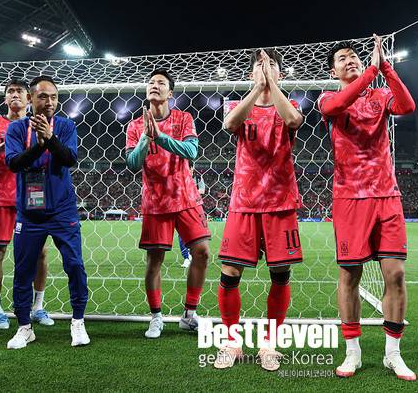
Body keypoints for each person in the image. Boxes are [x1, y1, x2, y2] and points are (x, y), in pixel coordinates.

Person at [318, 36, 416, 380]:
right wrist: (371, 71)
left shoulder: (380, 95)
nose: (351, 60)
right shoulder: (328, 98)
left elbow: (407, 106)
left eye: (354, 56)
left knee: (396, 274)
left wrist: (384, 67)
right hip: (349, 199)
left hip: (387, 196)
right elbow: (336, 106)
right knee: (350, 275)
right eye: (342, 58)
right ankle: (353, 353)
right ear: (333, 71)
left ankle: (393, 354)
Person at [215, 49, 303, 371]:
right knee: (230, 273)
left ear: (280, 73)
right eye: (259, 66)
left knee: (280, 275)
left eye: (271, 66)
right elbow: (229, 124)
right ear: (251, 73)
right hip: (244, 202)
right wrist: (257, 88)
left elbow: (293, 121)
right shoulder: (239, 106)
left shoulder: (288, 105)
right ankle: (232, 342)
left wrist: (271, 86)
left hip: (281, 203)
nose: (265, 70)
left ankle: (269, 344)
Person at [4, 75, 89, 349]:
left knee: (74, 264)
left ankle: (78, 321)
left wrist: (50, 139)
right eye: (42, 96)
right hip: (29, 212)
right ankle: (24, 327)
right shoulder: (16, 129)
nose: (49, 101)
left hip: (63, 210)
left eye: (53, 96)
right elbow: (13, 163)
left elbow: (70, 158)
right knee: (23, 270)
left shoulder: (66, 126)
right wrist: (38, 145)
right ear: (30, 99)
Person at [125, 68, 211, 338]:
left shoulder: (184, 118)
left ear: (170, 93)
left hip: (186, 197)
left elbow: (192, 151)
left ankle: (189, 314)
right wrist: (145, 138)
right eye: (151, 82)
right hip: (156, 202)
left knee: (202, 252)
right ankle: (156, 317)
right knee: (154, 261)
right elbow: (132, 163)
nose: (154, 85)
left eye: (161, 83)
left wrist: (160, 137)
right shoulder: (135, 126)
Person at [0, 78, 53, 330]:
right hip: (1, 196)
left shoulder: (37, 123)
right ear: (5, 98)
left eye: (20, 91)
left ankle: (37, 307)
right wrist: (5, 144)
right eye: (10, 91)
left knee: (40, 252)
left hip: (34, 192)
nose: (15, 94)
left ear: (29, 98)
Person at [180, 162, 206, 269]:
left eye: (188, 168)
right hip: (183, 207)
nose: (187, 171)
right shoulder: (180, 177)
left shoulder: (198, 178)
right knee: (181, 234)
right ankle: (186, 258)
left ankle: (194, 254)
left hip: (196, 208)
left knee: (196, 234)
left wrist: (188, 192)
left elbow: (202, 190)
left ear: (192, 168)